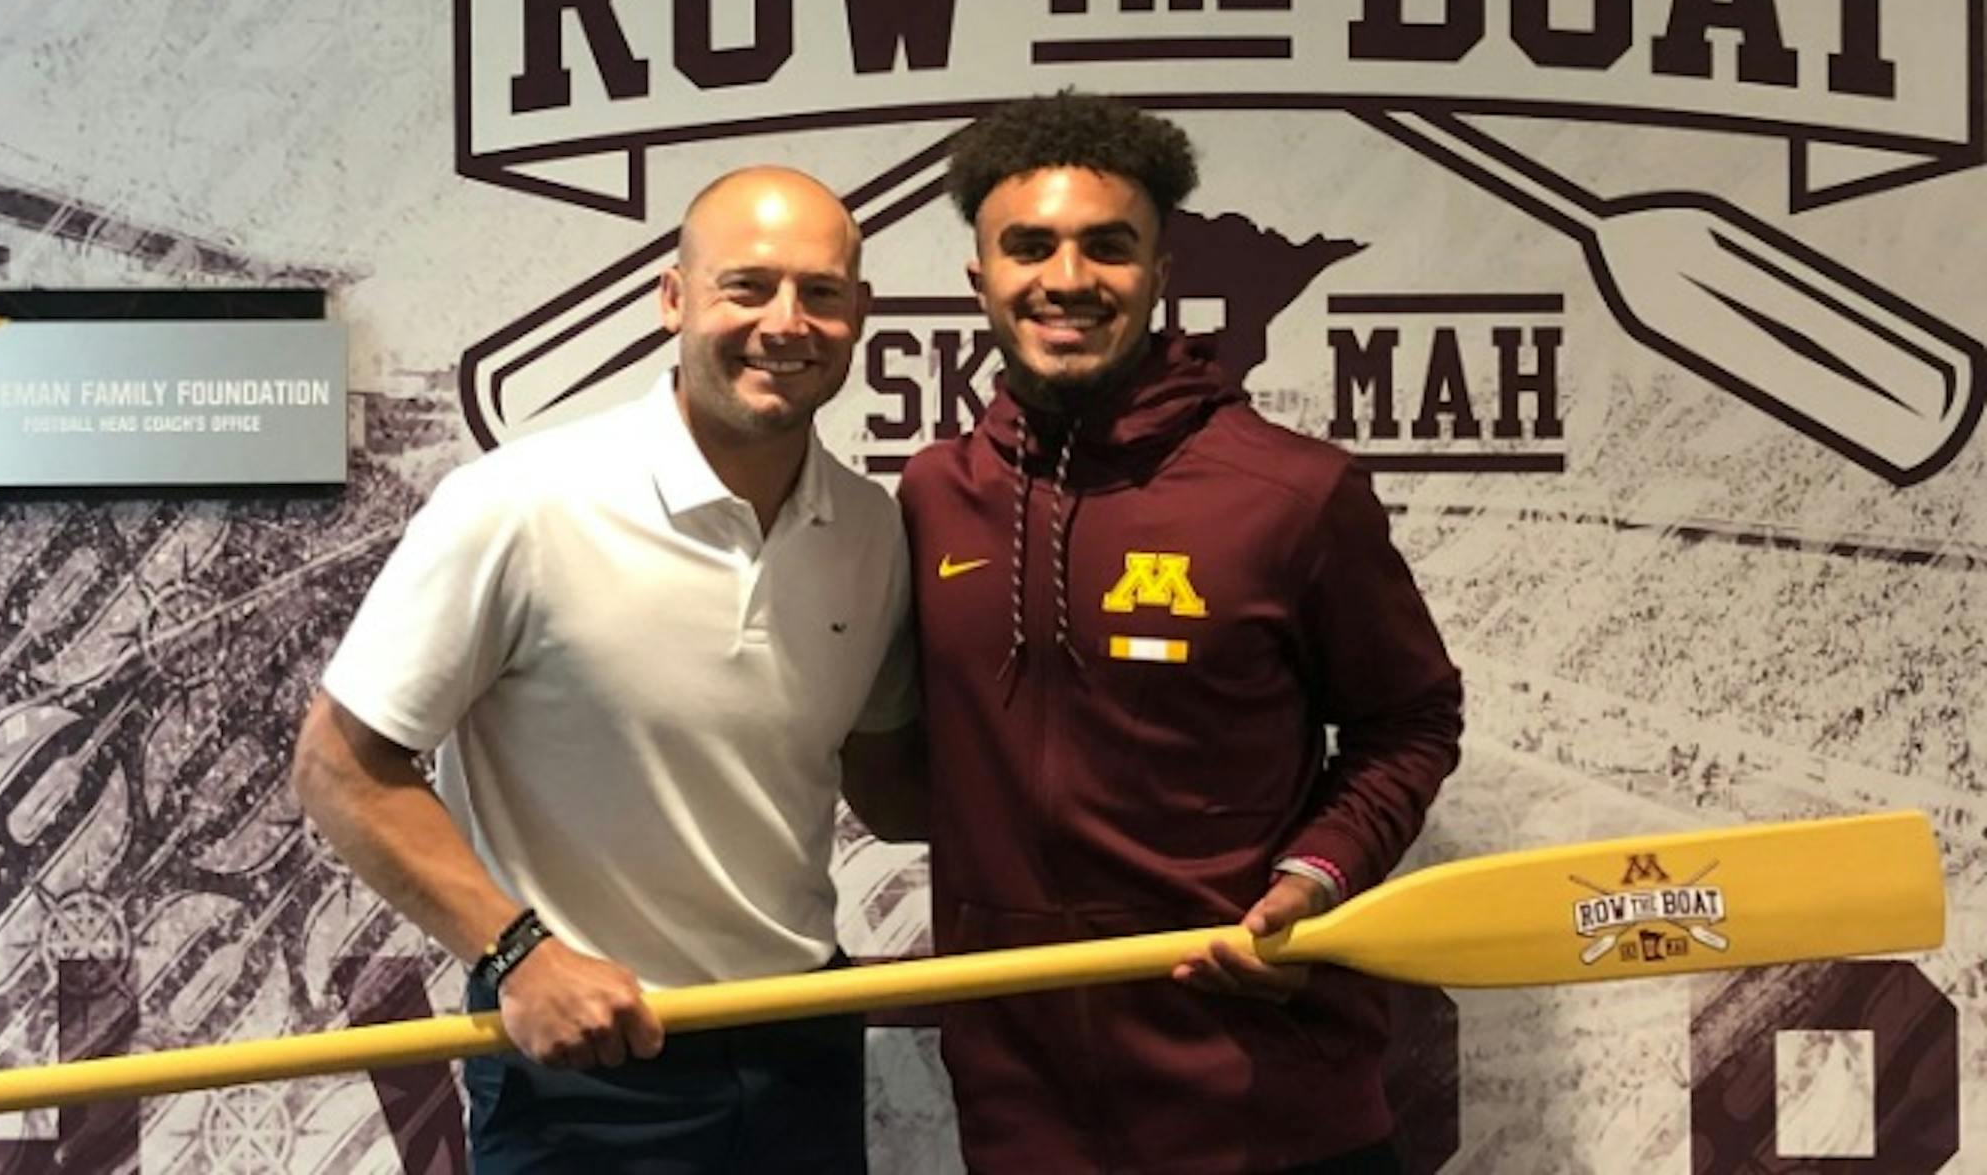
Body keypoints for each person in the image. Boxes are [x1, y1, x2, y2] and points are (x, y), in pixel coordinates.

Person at [292, 166, 921, 1173]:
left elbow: (897, 792)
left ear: (859, 314)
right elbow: (339, 767)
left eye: (822, 293)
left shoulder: (872, 529)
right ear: (673, 299)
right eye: (747, 286)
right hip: (587, 1065)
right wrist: (517, 957)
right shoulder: (518, 504)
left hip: (802, 1037)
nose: (787, 321)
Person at [896, 94, 1463, 1173]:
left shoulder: (1291, 491)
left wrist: (1319, 875)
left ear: (1161, 275)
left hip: (1268, 1110)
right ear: (981, 280)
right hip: (1024, 1120)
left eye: (1109, 247)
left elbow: (1413, 719)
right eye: (1030, 247)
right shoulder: (933, 495)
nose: (1068, 279)